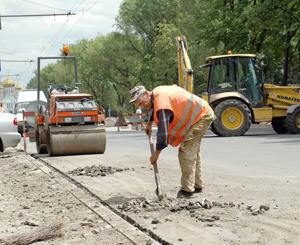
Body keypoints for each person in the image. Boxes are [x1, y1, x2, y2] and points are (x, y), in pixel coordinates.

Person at [129, 85, 216, 198]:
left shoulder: (161, 103)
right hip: (199, 113)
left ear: (146, 94)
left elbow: (163, 133)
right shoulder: (155, 93)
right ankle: (197, 185)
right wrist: (149, 124)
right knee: (193, 151)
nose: (142, 106)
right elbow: (152, 108)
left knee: (186, 150)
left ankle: (187, 190)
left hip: (202, 115)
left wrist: (156, 154)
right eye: (139, 105)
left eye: (141, 103)